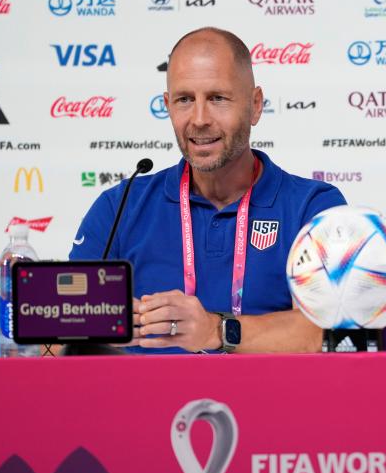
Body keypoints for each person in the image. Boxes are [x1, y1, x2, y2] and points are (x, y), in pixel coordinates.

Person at [70, 27, 346, 353]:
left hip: (267, 402)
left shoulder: (313, 207)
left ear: (256, 105)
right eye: (185, 100)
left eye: (218, 98)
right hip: (145, 403)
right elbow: (61, 336)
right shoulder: (120, 206)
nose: (200, 119)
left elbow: (331, 334)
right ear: (167, 106)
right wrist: (101, 331)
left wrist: (217, 330)